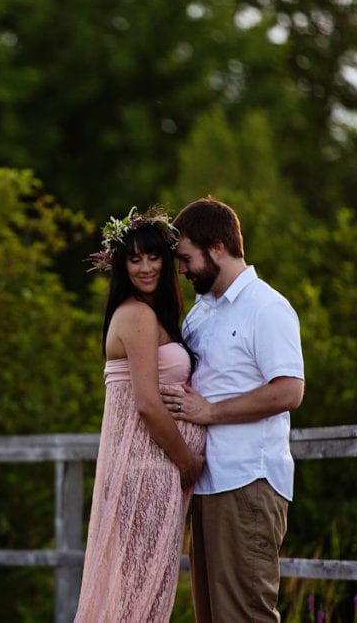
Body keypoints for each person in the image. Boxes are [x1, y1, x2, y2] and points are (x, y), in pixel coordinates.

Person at [160, 197, 305, 623]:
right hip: (207, 484)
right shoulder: (201, 315)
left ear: (217, 246)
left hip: (248, 482)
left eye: (186, 258)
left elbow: (289, 391)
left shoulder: (267, 307)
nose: (182, 270)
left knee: (246, 615)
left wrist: (210, 412)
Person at [74, 205, 206, 622]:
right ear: (122, 265)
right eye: (135, 259)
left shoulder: (155, 316)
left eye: (154, 257)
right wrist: (185, 461)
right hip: (146, 471)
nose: (146, 267)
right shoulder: (136, 314)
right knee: (136, 598)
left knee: (144, 594)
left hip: (154, 472)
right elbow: (147, 403)